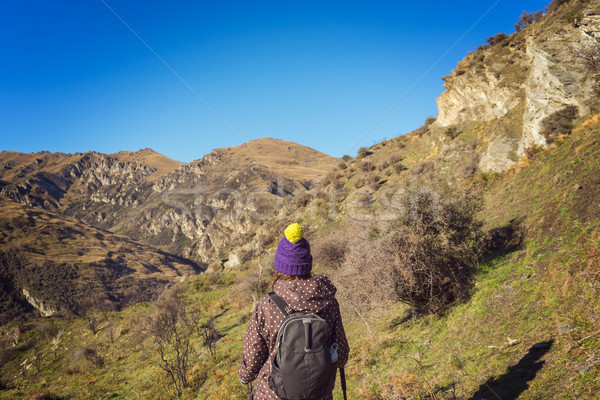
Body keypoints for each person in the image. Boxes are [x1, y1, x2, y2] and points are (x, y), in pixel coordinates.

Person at [239, 223, 350, 400]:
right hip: (319, 395)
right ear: (308, 266)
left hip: (273, 394)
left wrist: (245, 376)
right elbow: (341, 355)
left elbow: (253, 356)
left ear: (279, 267)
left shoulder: (266, 305)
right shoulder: (328, 302)